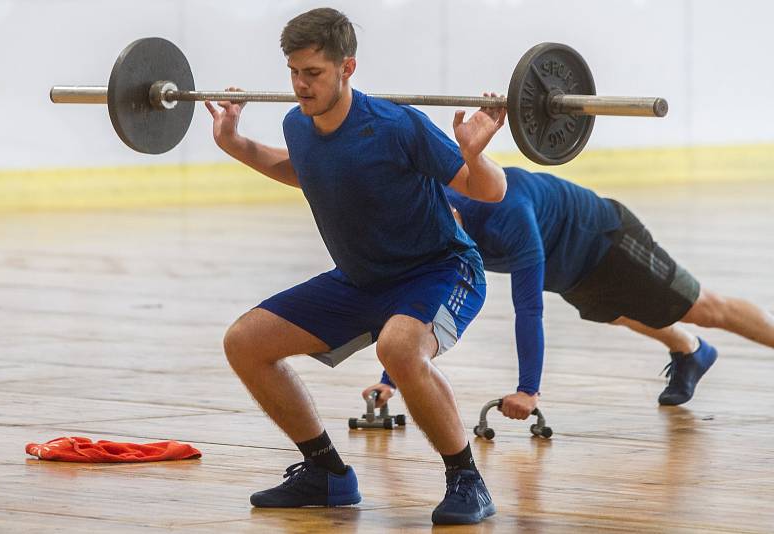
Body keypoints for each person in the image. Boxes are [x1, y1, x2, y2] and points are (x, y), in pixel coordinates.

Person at [205, 7, 508, 526]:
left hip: (440, 269)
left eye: (314, 74)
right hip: (362, 280)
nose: (301, 85)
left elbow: (489, 190)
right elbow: (306, 171)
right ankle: (325, 473)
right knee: (245, 342)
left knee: (399, 347)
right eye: (294, 73)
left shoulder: (396, 125)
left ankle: (467, 481)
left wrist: (475, 155)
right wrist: (235, 144)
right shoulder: (297, 125)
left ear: (347, 68)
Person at [364, 166, 774, 421]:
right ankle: (691, 350)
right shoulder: (433, 223)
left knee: (701, 307)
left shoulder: (508, 214)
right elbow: (421, 302)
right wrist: (392, 378)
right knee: (619, 313)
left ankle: (696, 339)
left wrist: (528, 389)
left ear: (456, 214)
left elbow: (527, 310)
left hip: (608, 239)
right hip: (569, 272)